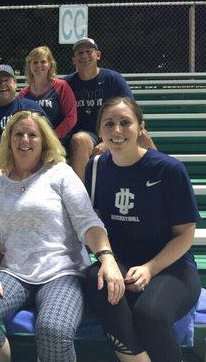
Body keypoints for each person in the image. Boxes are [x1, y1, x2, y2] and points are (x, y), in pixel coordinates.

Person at [0, 110, 123, 362]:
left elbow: (87, 221)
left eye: (32, 135)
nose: (24, 140)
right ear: (9, 140)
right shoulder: (1, 185)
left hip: (63, 271)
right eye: (18, 134)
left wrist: (106, 257)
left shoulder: (60, 173)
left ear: (44, 140)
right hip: (14, 271)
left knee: (53, 328)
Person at [85, 97, 201, 362]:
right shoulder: (95, 168)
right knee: (97, 278)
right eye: (109, 124)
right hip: (122, 262)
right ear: (100, 131)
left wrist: (150, 268)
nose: (116, 131)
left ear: (140, 127)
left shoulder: (168, 169)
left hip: (172, 266)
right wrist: (108, 260)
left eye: (125, 123)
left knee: (150, 314)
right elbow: (93, 223)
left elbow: (185, 234)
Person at [64, 37, 155, 182]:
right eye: (80, 53)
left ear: (98, 55)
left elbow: (132, 110)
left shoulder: (113, 78)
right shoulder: (67, 83)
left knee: (141, 133)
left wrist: (107, 142)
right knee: (79, 140)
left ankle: (161, 176)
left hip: (114, 129)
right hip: (87, 134)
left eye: (89, 51)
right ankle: (79, 199)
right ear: (73, 60)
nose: (84, 56)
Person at [18, 46, 76, 141]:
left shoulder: (61, 86)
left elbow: (71, 117)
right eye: (35, 62)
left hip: (57, 141)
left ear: (50, 65)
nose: (39, 65)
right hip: (31, 142)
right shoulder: (24, 93)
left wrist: (52, 137)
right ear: (29, 66)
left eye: (43, 62)